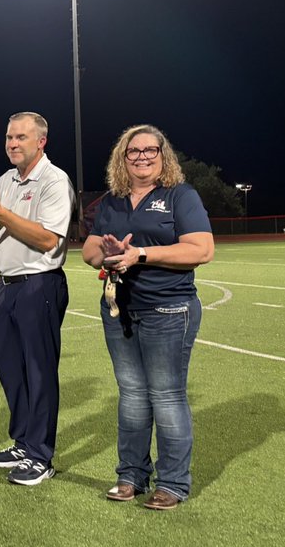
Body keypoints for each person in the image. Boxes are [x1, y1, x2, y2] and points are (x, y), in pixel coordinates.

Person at [82, 125, 213, 510]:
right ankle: (131, 475)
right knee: (133, 397)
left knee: (166, 397)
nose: (141, 157)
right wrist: (106, 253)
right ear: (122, 158)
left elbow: (202, 249)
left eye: (149, 150)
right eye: (133, 151)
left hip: (168, 308)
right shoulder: (112, 200)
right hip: (119, 309)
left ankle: (172, 483)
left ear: (163, 154)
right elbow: (89, 250)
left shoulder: (179, 195)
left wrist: (141, 254)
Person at [0, 111, 73, 486]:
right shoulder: (6, 179)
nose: (12, 143)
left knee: (39, 372)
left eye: (20, 137)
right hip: (6, 284)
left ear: (41, 141)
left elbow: (47, 240)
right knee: (10, 368)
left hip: (39, 283)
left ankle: (41, 456)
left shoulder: (55, 181)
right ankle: (23, 442)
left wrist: (1, 212)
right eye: (9, 137)